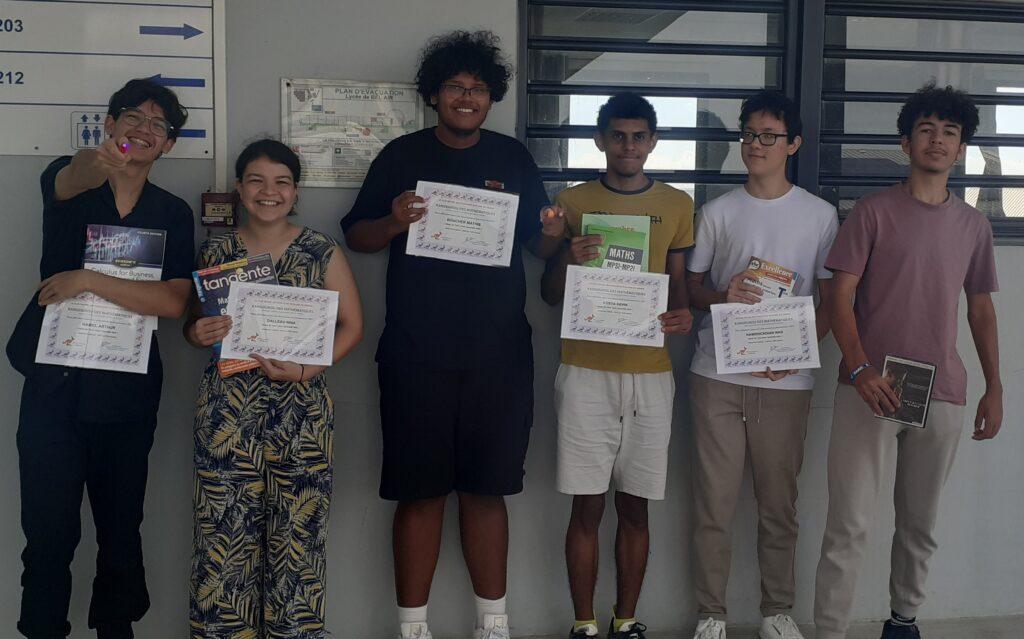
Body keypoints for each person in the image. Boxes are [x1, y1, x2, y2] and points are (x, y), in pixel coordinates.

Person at [341, 30, 564, 639]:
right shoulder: (402, 155)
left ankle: (493, 625)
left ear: (492, 97)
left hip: (499, 356)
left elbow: (540, 248)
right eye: (456, 87)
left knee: (488, 492)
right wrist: (394, 221)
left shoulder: (512, 159)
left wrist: (552, 231)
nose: (467, 97)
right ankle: (413, 628)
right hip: (416, 354)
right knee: (419, 494)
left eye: (479, 88)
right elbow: (356, 235)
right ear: (434, 94)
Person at [812, 83, 1002, 639]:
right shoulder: (872, 214)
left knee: (920, 523)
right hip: (868, 388)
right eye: (926, 130)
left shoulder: (974, 226)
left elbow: (981, 310)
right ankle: (830, 631)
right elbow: (839, 296)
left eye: (949, 133)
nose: (937, 140)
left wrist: (994, 386)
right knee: (848, 524)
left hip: (941, 392)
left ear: (961, 149)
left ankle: (903, 622)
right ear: (905, 143)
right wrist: (859, 367)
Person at [6, 78, 193, 639]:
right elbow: (79, 172)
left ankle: (116, 630)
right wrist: (102, 160)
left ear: (169, 144)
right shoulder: (71, 181)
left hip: (127, 395)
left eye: (158, 125)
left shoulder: (172, 212)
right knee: (48, 534)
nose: (144, 129)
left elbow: (174, 301)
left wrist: (88, 279)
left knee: (120, 533)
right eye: (133, 116)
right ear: (110, 125)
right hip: (54, 389)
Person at [184, 139, 363, 638]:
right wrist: (197, 333)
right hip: (227, 417)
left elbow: (352, 326)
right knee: (223, 544)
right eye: (257, 181)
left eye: (282, 182)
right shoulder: (217, 251)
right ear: (240, 189)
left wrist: (306, 371)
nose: (270, 191)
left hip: (303, 417)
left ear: (295, 191)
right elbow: (195, 328)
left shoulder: (321, 250)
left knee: (297, 546)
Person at [540, 92, 694, 639]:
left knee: (636, 508)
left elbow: (678, 284)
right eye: (618, 136)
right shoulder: (572, 200)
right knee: (586, 507)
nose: (629, 146)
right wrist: (568, 256)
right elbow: (549, 293)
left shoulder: (677, 203)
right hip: (585, 370)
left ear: (653, 142)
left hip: (651, 373)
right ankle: (583, 623)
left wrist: (683, 314)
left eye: (639, 136)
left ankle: (625, 620)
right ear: (600, 140)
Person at [685, 91, 838, 639]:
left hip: (786, 382)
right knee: (713, 506)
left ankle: (777, 611)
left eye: (769, 135)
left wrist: (795, 355)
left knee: (779, 506)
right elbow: (692, 290)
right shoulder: (718, 211)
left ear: (793, 144)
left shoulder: (820, 216)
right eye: (749, 133)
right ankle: (711, 614)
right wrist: (722, 296)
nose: (756, 144)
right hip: (716, 376)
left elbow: (830, 304)